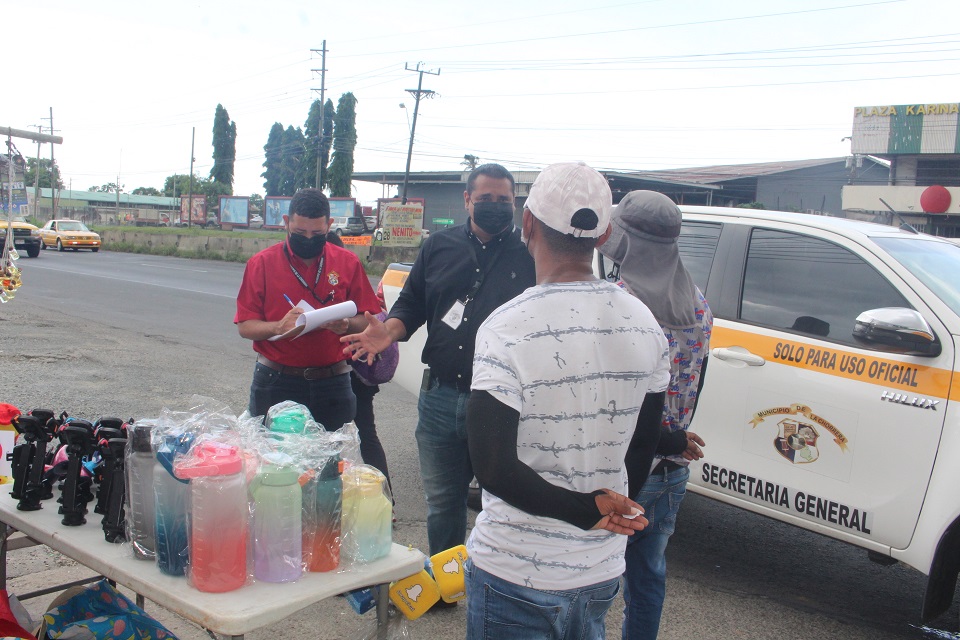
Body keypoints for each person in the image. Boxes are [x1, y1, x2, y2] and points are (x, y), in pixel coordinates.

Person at [463, 162, 671, 640]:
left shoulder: (506, 326)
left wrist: (584, 509)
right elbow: (643, 445)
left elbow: (492, 466)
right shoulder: (644, 323)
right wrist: (607, 512)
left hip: (514, 571)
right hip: (599, 569)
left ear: (528, 224)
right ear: (603, 236)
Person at [341, 163, 536, 565]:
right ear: (467, 200)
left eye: (504, 201)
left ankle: (494, 581)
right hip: (441, 397)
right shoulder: (437, 247)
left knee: (504, 501)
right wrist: (389, 331)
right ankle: (447, 584)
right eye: (485, 200)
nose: (495, 207)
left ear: (515, 203)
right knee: (443, 501)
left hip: (504, 402)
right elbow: (411, 304)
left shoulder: (531, 255)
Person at [599, 190, 713, 640]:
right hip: (670, 472)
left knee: (593, 581)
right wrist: (675, 437)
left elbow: (611, 402)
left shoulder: (620, 304)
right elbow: (695, 382)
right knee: (648, 578)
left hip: (621, 469)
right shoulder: (698, 304)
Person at [235, 188, 380, 431]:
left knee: (332, 462)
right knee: (274, 460)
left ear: (329, 225)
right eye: (300, 232)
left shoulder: (347, 262)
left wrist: (346, 325)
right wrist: (278, 327)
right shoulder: (261, 264)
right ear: (286, 223)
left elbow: (368, 319)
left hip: (333, 382)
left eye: (317, 233)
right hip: (276, 380)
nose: (309, 238)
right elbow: (245, 326)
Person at [324, 230, 392, 490]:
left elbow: (369, 317)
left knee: (338, 437)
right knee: (365, 434)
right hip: (358, 372)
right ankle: (387, 499)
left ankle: (379, 497)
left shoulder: (345, 274)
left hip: (348, 369)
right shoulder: (349, 272)